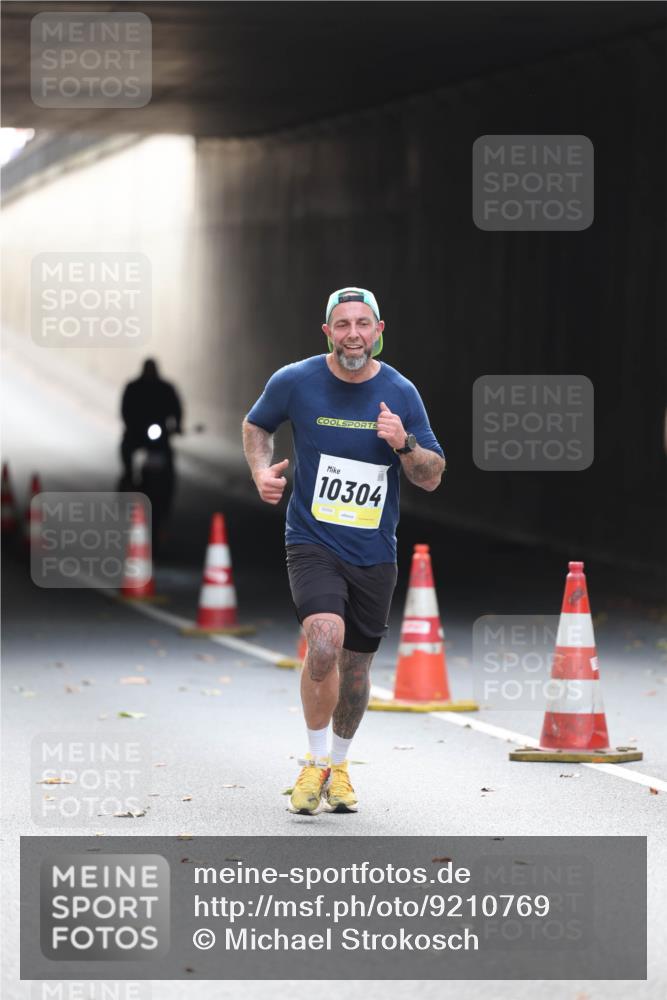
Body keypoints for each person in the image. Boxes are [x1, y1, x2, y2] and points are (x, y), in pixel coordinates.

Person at [242, 287, 445, 814]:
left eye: (362, 323)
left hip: (374, 550)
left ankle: (340, 766)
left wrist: (403, 443)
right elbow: (256, 425)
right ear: (326, 331)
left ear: (379, 331)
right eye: (342, 324)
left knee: (355, 671)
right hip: (311, 539)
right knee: (324, 645)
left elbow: (431, 477)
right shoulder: (296, 380)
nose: (352, 333)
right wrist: (261, 470)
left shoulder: (401, 393)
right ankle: (313, 765)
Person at [120, 359, 183, 481]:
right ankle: (128, 476)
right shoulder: (134, 387)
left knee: (168, 457)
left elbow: (176, 408)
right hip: (136, 431)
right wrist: (130, 426)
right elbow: (125, 409)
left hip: (160, 431)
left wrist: (178, 425)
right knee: (126, 448)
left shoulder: (165, 388)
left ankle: (167, 483)